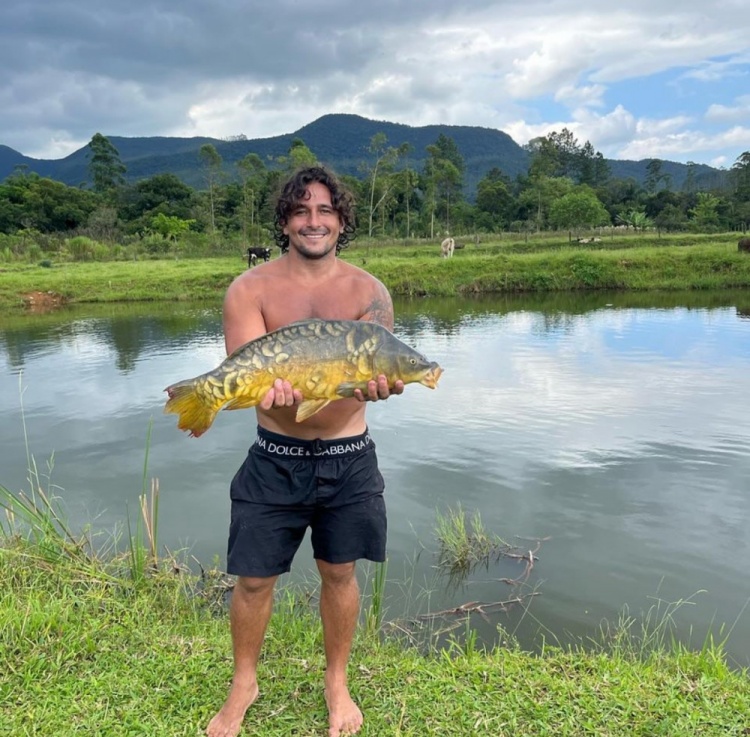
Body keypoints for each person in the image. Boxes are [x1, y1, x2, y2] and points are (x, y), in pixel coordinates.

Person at [207, 165, 403, 737]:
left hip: (350, 457)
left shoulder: (370, 293)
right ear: (285, 222)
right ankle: (244, 683)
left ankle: (336, 682)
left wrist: (384, 385)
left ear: (341, 220)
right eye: (300, 210)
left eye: (324, 211)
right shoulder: (249, 290)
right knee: (252, 580)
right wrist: (265, 393)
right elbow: (243, 373)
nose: (313, 221)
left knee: (339, 573)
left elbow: (380, 364)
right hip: (275, 457)